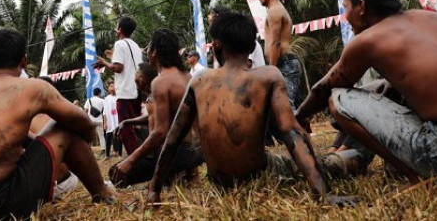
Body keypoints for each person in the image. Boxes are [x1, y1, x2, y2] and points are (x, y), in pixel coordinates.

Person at [147, 10, 354, 206]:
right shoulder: (268, 75)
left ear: (217, 45)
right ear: (251, 45)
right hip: (259, 173)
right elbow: (291, 132)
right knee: (338, 162)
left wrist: (154, 189)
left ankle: (352, 152)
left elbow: (173, 138)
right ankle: (354, 154)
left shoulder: (199, 79)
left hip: (220, 183)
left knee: (326, 161)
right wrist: (323, 192)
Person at [295, 0, 437, 183]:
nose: (345, 16)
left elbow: (323, 89)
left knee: (338, 98)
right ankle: (350, 154)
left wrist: (299, 116)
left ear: (361, 7)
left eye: (346, 7)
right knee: (385, 87)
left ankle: (418, 176)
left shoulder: (369, 39)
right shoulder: (434, 19)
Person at [0, 29, 116, 219]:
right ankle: (103, 193)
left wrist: (37, 146)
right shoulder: (33, 87)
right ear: (24, 61)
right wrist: (82, 143)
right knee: (66, 126)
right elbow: (84, 122)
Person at [110, 29, 202, 187]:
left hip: (173, 155)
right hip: (195, 154)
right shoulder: (190, 78)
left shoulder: (160, 82)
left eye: (148, 49)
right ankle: (182, 173)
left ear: (154, 53)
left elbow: (160, 132)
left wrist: (130, 161)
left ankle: (169, 175)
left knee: (114, 174)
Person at [92, 16, 144, 154]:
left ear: (119, 29)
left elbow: (118, 67)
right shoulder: (135, 46)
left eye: (116, 26)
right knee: (137, 128)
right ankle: (143, 156)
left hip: (126, 93)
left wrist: (104, 63)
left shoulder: (120, 44)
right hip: (137, 92)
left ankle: (135, 161)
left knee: (125, 129)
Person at [257, 0, 302, 109]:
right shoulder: (278, 9)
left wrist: (272, 69)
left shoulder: (274, 11)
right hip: (286, 63)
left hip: (283, 63)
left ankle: (293, 130)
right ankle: (302, 129)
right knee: (295, 110)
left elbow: (275, 43)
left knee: (285, 108)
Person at [103, 83, 121, 159]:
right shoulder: (106, 98)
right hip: (110, 121)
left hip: (118, 120)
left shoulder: (119, 97)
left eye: (113, 86)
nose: (111, 87)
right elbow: (105, 112)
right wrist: (105, 122)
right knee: (108, 137)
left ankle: (119, 154)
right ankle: (107, 155)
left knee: (119, 136)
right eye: (110, 86)